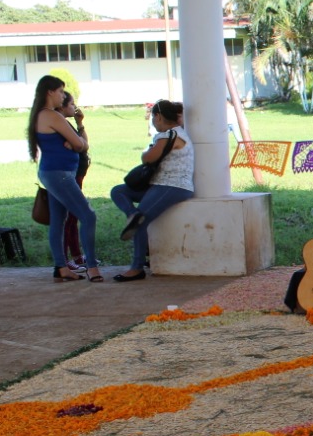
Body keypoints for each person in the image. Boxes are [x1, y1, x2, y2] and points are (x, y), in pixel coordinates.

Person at [109, 100, 194, 282]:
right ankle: (132, 215)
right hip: (163, 184)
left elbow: (148, 158)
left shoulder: (167, 136)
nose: (153, 123)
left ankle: (136, 268)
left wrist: (145, 151)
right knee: (118, 191)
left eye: (152, 118)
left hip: (173, 185)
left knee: (140, 222)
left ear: (158, 116)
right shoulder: (179, 133)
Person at [28, 75, 100, 282]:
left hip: (56, 172)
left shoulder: (44, 115)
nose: (63, 96)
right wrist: (77, 142)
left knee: (58, 221)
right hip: (58, 174)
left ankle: (61, 267)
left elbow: (76, 143)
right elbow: (80, 145)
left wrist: (76, 140)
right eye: (60, 91)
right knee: (88, 216)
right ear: (50, 92)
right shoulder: (52, 116)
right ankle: (92, 267)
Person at [56, 92, 90, 273]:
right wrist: (80, 143)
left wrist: (80, 123)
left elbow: (84, 143)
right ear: (61, 106)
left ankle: (76, 255)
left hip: (78, 173)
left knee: (73, 217)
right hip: (69, 174)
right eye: (71, 104)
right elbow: (81, 144)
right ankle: (65, 258)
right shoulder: (59, 125)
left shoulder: (68, 124)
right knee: (69, 218)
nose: (74, 107)